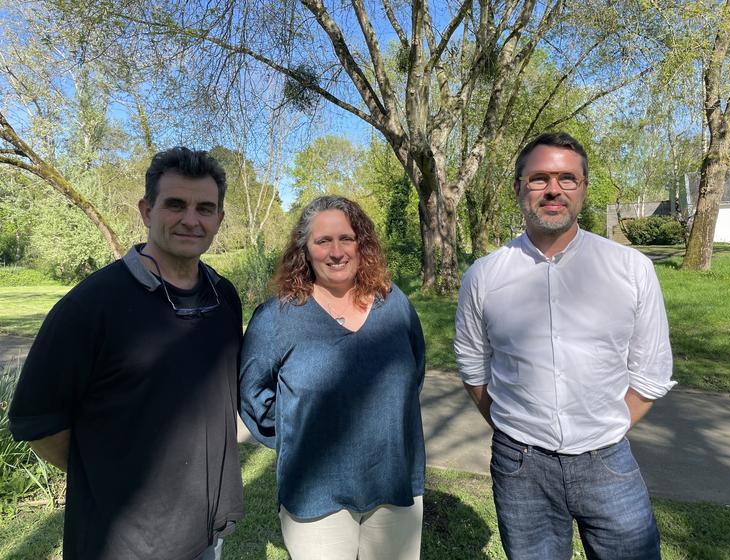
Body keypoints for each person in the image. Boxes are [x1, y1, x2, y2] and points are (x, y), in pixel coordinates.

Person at [10, 147, 245, 560]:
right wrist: (113, 474)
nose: (191, 219)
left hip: (204, 534)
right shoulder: (92, 305)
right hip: (124, 542)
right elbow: (39, 423)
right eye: (175, 204)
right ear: (145, 210)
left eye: (205, 208)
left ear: (219, 220)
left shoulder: (223, 298)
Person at [454, 132, 676, 559]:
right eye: (539, 178)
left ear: (583, 188)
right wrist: (515, 427)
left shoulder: (631, 269)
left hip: (609, 461)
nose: (553, 189)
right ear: (519, 189)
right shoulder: (483, 276)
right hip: (520, 466)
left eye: (567, 179)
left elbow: (651, 373)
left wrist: (601, 425)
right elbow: (473, 368)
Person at [239, 195, 425, 560]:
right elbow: (252, 394)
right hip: (315, 493)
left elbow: (413, 374)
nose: (336, 251)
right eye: (322, 241)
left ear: (362, 245)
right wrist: (300, 432)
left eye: (346, 238)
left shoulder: (395, 304)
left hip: (394, 483)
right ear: (304, 251)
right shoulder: (277, 317)